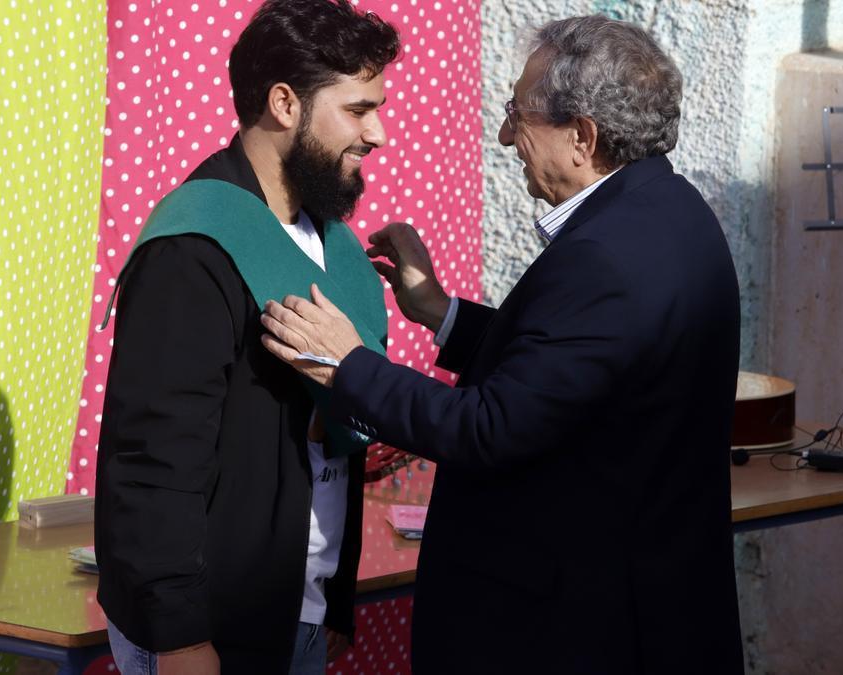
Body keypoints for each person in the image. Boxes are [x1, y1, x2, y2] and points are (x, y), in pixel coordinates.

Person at [261, 14, 745, 675]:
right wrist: (441, 311)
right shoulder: (671, 212)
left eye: (519, 114)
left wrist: (348, 365)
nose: (504, 135)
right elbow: (573, 370)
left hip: (582, 630)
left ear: (582, 137)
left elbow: (490, 427)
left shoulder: (607, 258)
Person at [93, 2, 399, 673]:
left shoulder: (330, 243)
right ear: (284, 103)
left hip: (295, 607)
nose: (378, 132)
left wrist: (329, 598)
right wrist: (178, 636)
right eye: (358, 108)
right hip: (209, 629)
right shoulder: (194, 247)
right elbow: (151, 462)